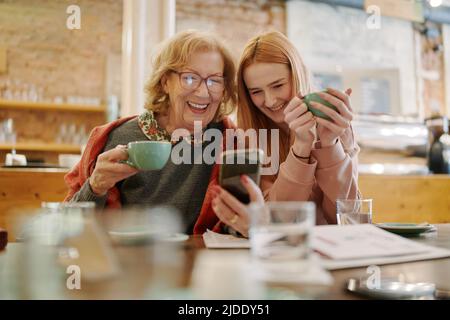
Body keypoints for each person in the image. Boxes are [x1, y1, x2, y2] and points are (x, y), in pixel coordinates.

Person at [64, 30, 262, 235]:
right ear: (165, 81)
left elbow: (239, 227)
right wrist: (95, 187)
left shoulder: (231, 141)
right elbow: (66, 230)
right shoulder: (116, 138)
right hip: (133, 262)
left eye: (214, 80)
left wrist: (251, 226)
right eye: (190, 78)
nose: (203, 92)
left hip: (204, 263)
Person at [212, 31, 360, 231]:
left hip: (329, 252)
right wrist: (301, 147)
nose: (270, 100)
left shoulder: (335, 124)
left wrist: (329, 145)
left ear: (297, 75)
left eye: (278, 85)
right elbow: (275, 220)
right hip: (280, 251)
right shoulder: (249, 137)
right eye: (257, 92)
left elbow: (348, 218)